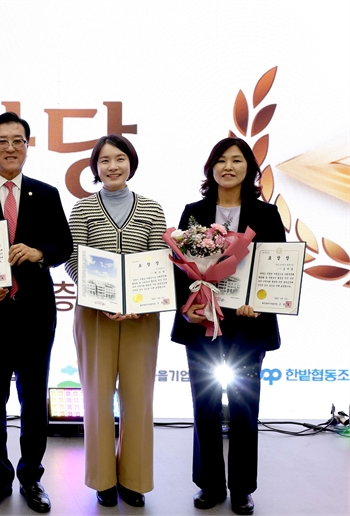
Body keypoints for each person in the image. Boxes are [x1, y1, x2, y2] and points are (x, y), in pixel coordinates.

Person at [0, 112, 72, 513]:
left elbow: (63, 246)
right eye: (1, 141)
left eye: (17, 140)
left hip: (35, 314)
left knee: (34, 400)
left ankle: (31, 476)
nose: (10, 148)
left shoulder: (47, 193)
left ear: (27, 145)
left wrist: (38, 252)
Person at [170, 137, 286, 516]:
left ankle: (241, 488)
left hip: (248, 326)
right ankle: (209, 484)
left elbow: (276, 267)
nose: (228, 167)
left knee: (244, 407)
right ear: (211, 168)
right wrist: (188, 307)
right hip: (202, 322)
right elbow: (179, 267)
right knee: (204, 404)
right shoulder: (194, 212)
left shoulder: (266, 215)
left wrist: (261, 303)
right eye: (221, 160)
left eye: (237, 160)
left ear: (249, 168)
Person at [64, 134, 167, 508]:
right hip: (95, 316)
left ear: (131, 163)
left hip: (143, 317)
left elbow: (158, 259)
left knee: (139, 399)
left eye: (120, 159)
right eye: (104, 160)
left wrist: (141, 302)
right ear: (95, 167)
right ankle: (103, 480)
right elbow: (73, 260)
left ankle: (134, 480)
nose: (113, 166)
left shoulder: (152, 209)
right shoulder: (82, 209)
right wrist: (102, 299)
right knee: (96, 398)